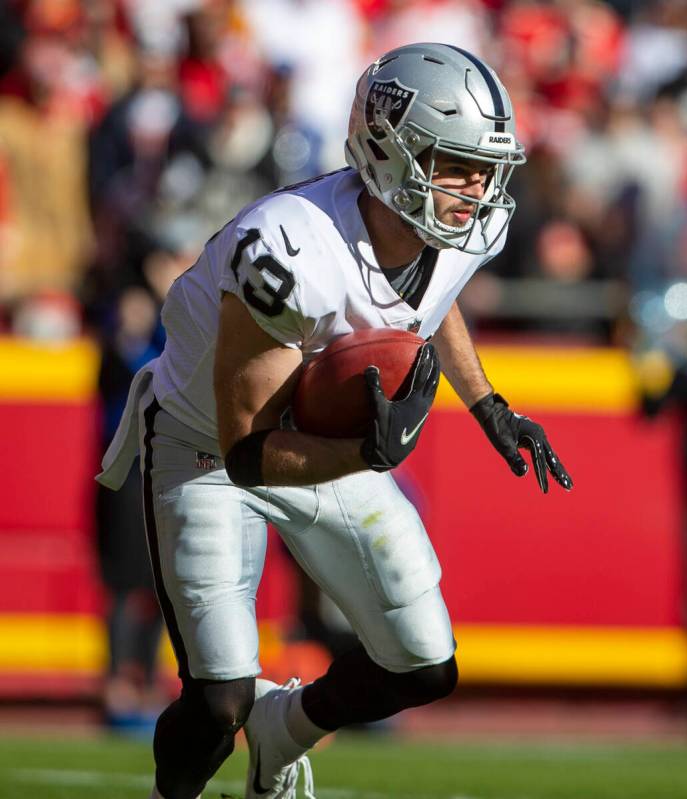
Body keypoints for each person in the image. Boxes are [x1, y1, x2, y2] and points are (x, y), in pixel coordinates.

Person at [97, 43, 573, 799]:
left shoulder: (453, 221)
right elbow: (245, 447)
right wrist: (360, 449)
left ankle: (283, 730)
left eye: (485, 168)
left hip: (326, 447)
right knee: (218, 700)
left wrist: (488, 404)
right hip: (207, 448)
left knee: (422, 662)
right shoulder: (289, 251)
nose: (475, 188)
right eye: (454, 164)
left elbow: (432, 300)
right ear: (388, 151)